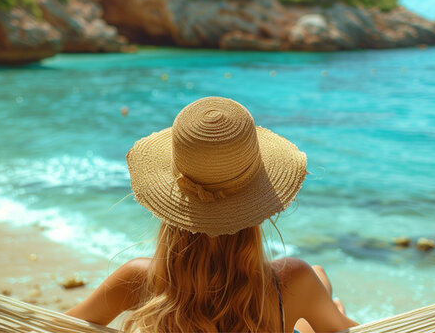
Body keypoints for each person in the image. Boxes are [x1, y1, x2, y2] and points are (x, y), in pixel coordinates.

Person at [67, 97, 358, 332]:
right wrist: (337, 320)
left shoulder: (139, 280)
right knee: (318, 282)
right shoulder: (292, 280)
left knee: (319, 280)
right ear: (259, 210)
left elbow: (62, 326)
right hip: (277, 311)